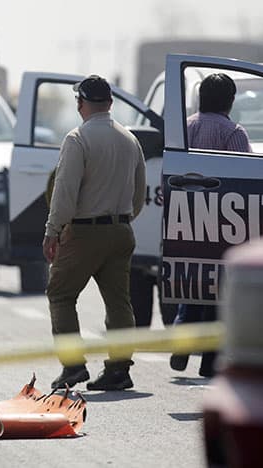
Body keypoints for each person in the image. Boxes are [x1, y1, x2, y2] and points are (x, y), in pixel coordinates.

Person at [43, 75, 146, 391]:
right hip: (121, 230)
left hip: (85, 233)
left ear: (80, 103)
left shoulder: (78, 139)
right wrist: (121, 220)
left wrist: (53, 231)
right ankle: (119, 369)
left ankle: (73, 366)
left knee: (60, 294)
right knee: (119, 302)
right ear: (111, 103)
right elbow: (139, 194)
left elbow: (65, 192)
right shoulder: (129, 138)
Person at [170, 72, 252, 378]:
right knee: (219, 294)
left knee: (189, 286)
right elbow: (245, 183)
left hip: (185, 221)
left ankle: (181, 345)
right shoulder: (235, 134)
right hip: (224, 225)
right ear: (230, 102)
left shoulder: (183, 128)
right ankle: (209, 361)